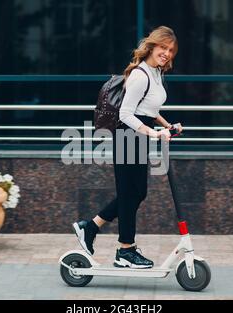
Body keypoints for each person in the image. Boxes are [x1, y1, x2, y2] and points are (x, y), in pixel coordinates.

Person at [73, 26, 182, 269]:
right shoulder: (140, 75)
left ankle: (90, 228)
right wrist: (154, 133)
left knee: (135, 192)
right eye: (163, 47)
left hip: (138, 136)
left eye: (171, 50)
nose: (166, 53)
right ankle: (125, 250)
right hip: (127, 136)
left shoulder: (156, 73)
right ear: (152, 46)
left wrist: (168, 124)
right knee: (129, 192)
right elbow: (126, 114)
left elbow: (149, 110)